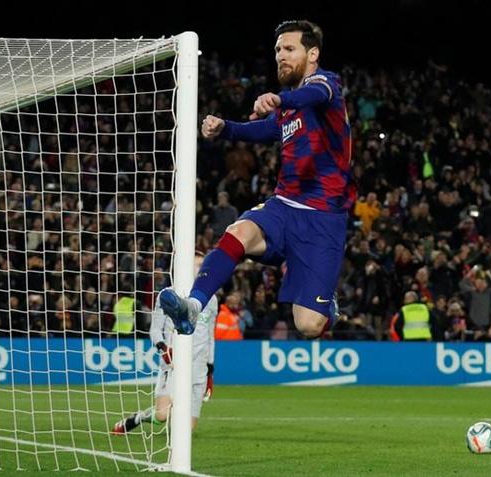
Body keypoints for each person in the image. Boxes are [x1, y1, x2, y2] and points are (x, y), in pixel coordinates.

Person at [160, 19, 355, 340]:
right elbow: (266, 129)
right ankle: (193, 306)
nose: (281, 55)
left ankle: (327, 307)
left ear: (313, 53)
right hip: (283, 206)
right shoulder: (289, 108)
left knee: (308, 325)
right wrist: (227, 128)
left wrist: (280, 99)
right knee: (239, 232)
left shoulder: (326, 85)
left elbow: (314, 94)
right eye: (278, 49)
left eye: (290, 49)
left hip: (323, 219)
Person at [111, 252, 218, 434]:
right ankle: (137, 419)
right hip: (173, 363)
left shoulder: (212, 299)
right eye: (197, 265)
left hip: (199, 367)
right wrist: (163, 348)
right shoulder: (167, 295)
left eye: (202, 265)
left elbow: (210, 335)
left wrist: (210, 371)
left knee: (187, 428)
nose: (200, 270)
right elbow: (155, 330)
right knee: (161, 416)